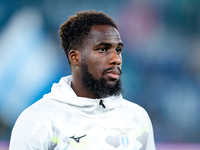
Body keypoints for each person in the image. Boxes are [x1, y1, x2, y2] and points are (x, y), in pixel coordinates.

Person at [9, 10, 156, 150]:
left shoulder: (137, 118)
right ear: (75, 57)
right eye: (103, 49)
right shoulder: (37, 120)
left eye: (118, 50)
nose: (116, 59)